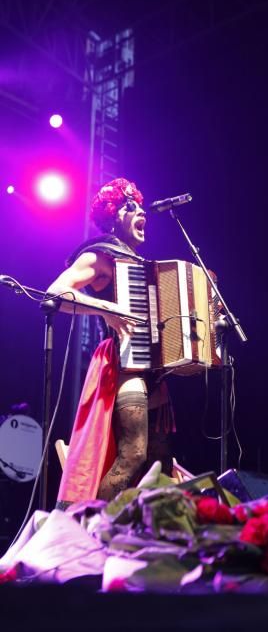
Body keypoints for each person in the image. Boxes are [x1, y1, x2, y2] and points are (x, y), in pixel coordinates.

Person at [47, 178, 174, 509]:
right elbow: (56, 293)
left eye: (141, 205)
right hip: (121, 362)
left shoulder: (138, 264)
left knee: (160, 461)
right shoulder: (99, 256)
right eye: (131, 206)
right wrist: (108, 309)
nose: (142, 211)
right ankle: (91, 528)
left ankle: (141, 533)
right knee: (133, 453)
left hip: (152, 371)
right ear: (114, 215)